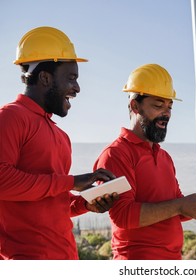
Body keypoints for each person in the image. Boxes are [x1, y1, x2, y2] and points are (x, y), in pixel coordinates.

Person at [0, 26, 118, 260]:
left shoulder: (60, 136)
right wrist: (73, 181)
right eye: (71, 78)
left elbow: (53, 201)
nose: (77, 88)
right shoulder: (10, 117)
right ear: (45, 78)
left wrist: (87, 203)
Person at [93, 63, 196, 260]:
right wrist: (181, 205)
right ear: (135, 105)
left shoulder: (164, 158)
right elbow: (123, 215)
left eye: (170, 106)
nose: (167, 113)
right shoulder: (116, 154)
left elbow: (176, 207)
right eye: (158, 105)